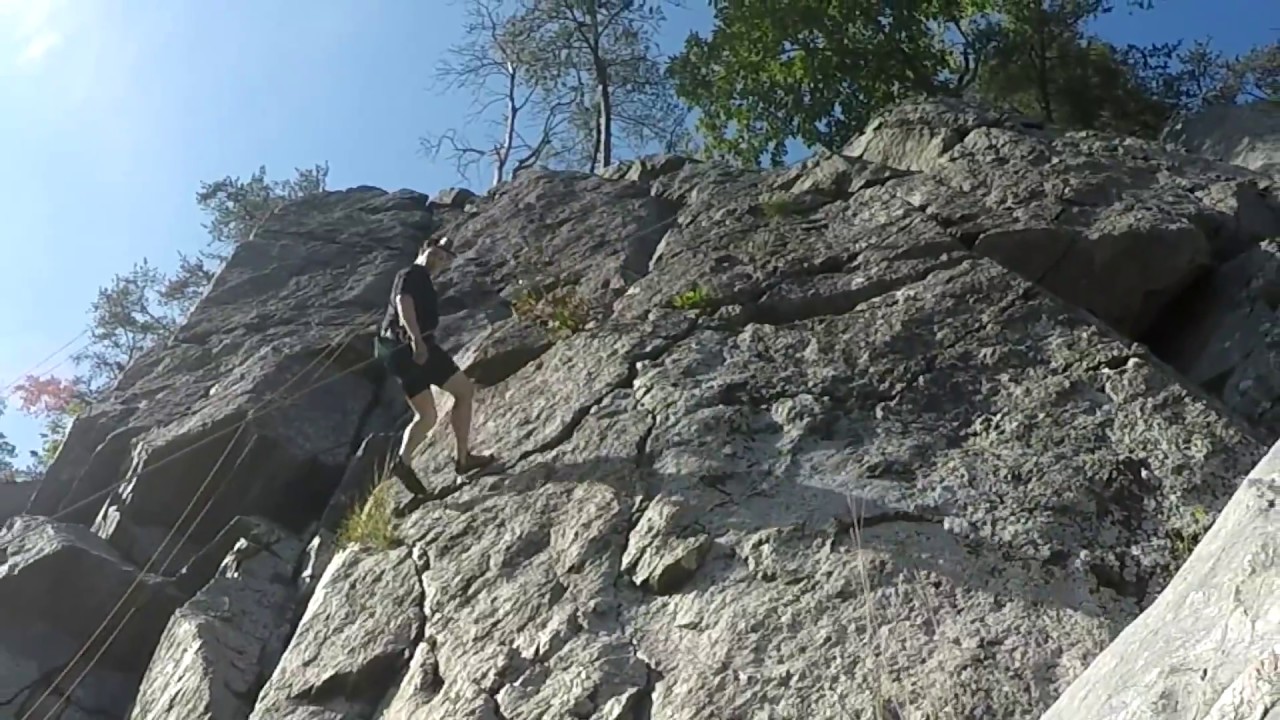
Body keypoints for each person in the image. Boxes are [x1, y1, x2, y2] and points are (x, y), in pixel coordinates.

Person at [374, 237, 495, 501]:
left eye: (443, 259)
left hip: (398, 353)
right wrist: (417, 340)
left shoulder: (421, 278)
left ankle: (402, 463)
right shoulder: (411, 273)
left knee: (427, 416)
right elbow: (403, 302)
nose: (438, 261)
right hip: (414, 348)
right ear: (423, 249)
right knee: (463, 392)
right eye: (436, 254)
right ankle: (463, 459)